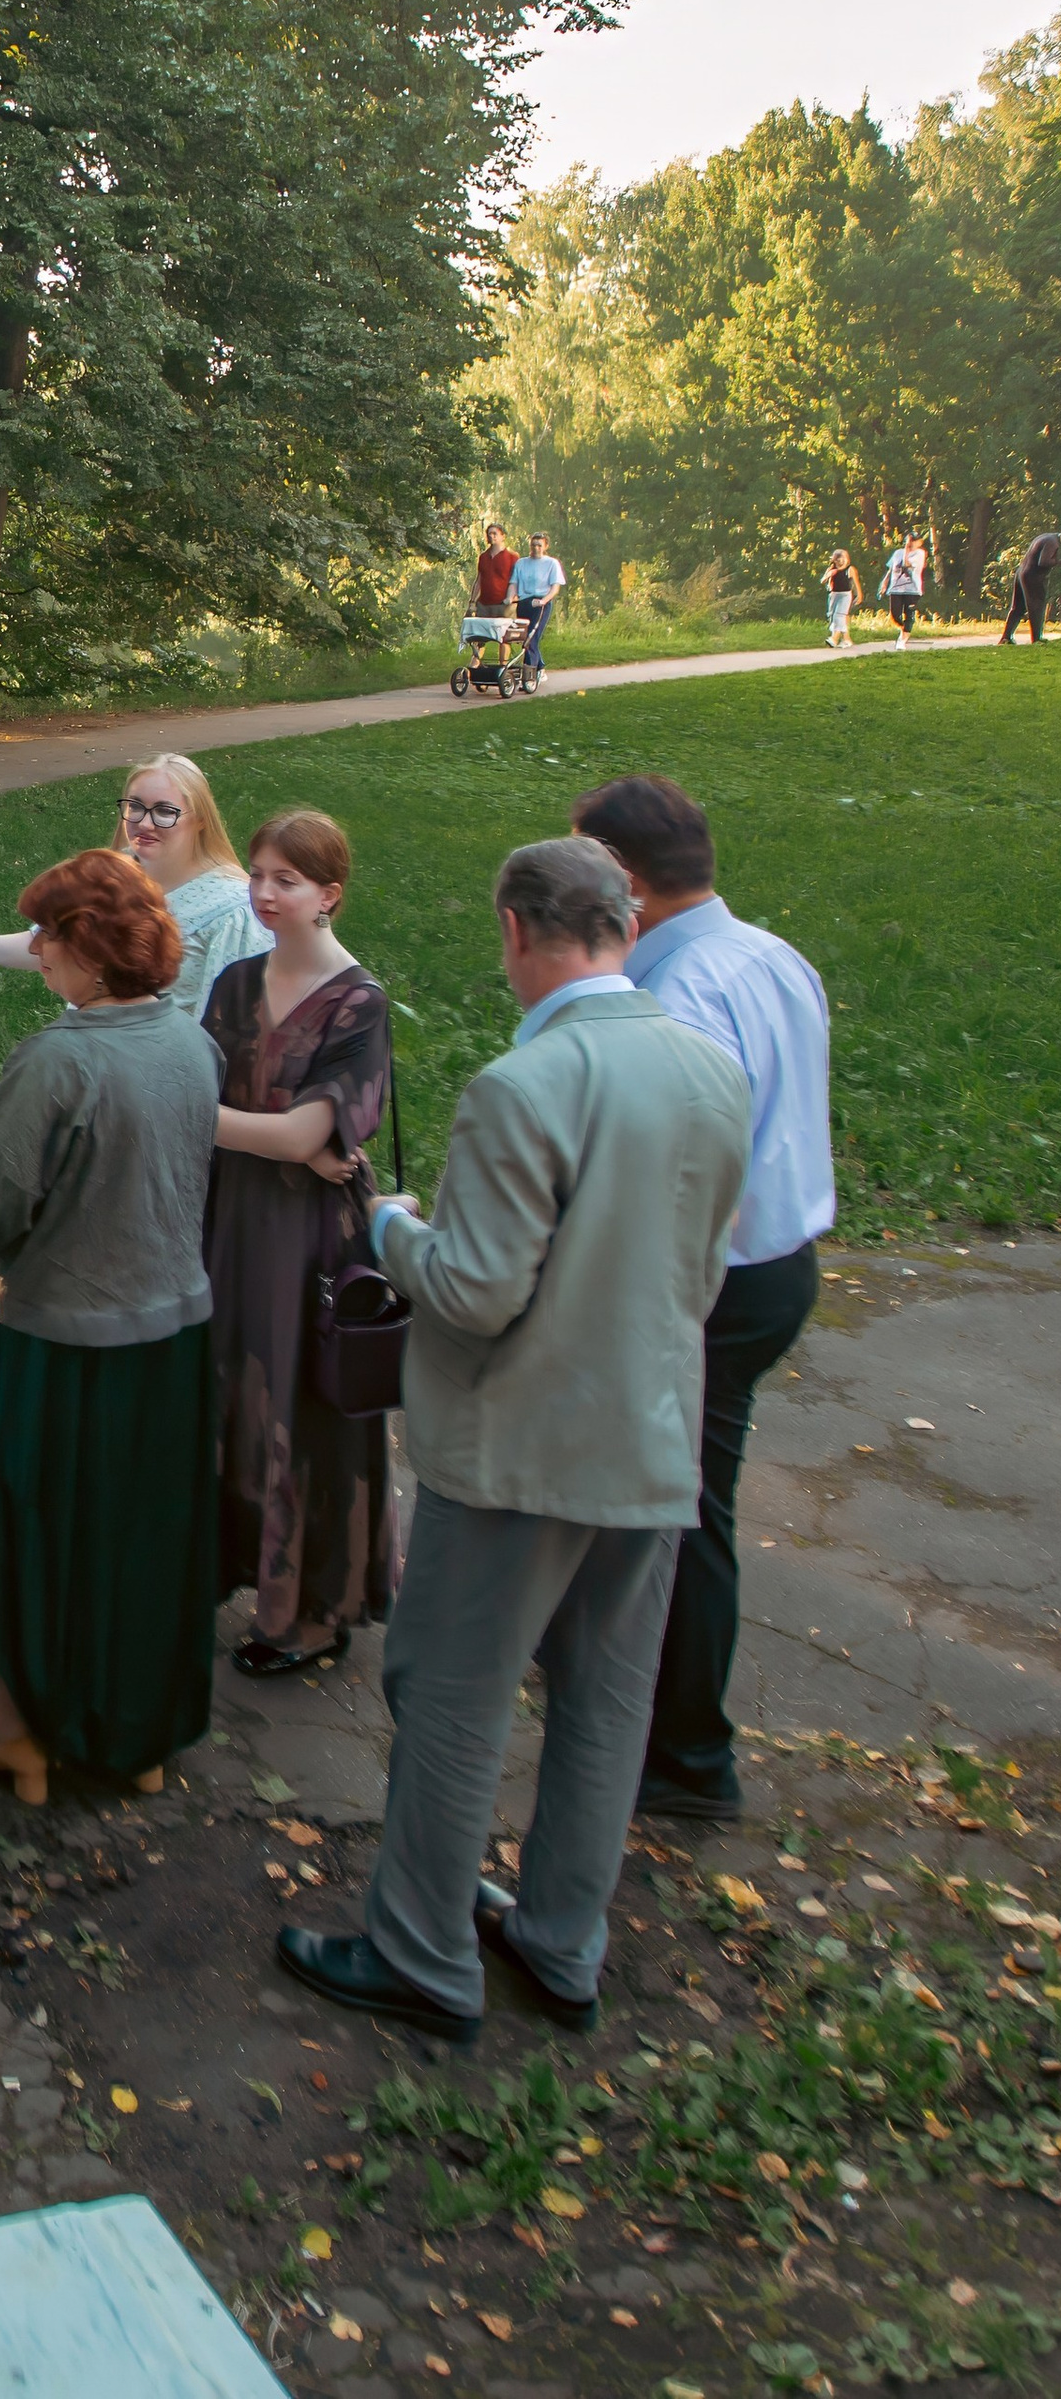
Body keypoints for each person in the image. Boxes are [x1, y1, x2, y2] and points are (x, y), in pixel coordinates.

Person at [276, 839, 747, 2042]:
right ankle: (559, 1939)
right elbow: (701, 1267)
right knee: (602, 1704)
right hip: (648, 1437)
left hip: (517, 1449)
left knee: (449, 1694)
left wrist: (389, 1226)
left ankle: (420, 1951)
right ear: (622, 929)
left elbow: (474, 1291)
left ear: (514, 931)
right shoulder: (709, 1069)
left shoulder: (522, 1086)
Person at [571, 777, 833, 1824]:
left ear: (625, 887)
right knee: (689, 1502)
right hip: (780, 1260)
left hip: (715, 1279)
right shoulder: (768, 953)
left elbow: (685, 1175)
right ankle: (667, 1728)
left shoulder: (673, 1002)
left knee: (672, 1516)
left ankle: (683, 1751)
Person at [0, 850, 225, 1808]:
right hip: (175, 1338)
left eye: (48, 934)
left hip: (64, 1345)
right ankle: (138, 1738)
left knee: (37, 1530)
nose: (35, 950)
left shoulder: (58, 1061)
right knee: (146, 1539)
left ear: (88, 947)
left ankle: (20, 1731)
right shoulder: (192, 1045)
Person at [205, 811, 399, 1677]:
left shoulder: (360, 1004)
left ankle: (314, 1613)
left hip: (315, 1243)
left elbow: (307, 1138)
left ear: (330, 894)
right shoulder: (235, 985)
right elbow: (288, 1137)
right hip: (226, 1222)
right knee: (226, 1400)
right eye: (257, 874)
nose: (264, 892)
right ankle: (226, 1570)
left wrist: (215, 1122)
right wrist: (283, 1134)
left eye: (286, 878)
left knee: (302, 1411)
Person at [0, 753, 263, 1020]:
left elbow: (236, 1028)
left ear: (201, 820)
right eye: (135, 806)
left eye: (165, 811)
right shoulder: (117, 872)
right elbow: (52, 946)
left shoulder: (232, 910)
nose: (144, 823)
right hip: (89, 1052)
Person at [510, 534, 565, 683]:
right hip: (524, 603)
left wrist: (543, 601)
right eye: (533, 545)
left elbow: (555, 587)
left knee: (531, 638)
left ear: (545, 546)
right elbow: (514, 583)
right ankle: (540, 668)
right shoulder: (521, 563)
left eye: (539, 545)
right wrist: (509, 598)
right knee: (525, 637)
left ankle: (529, 674)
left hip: (541, 603)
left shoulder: (551, 564)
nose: (536, 548)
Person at [1000, 531, 1057, 646]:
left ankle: (1006, 638)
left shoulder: (1047, 537)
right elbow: (1044, 562)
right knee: (1037, 606)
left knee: (1018, 607)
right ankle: (1037, 639)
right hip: (1033, 576)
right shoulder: (1053, 543)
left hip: (1021, 572)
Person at [879, 531, 926, 647]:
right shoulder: (897, 553)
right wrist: (884, 584)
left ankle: (902, 640)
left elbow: (906, 564)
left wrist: (907, 549)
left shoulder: (920, 554)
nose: (911, 543)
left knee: (909, 615)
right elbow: (890, 570)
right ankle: (903, 630)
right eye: (909, 541)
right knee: (894, 615)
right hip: (895, 589)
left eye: (913, 541)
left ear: (919, 542)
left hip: (912, 589)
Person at [474, 522, 517, 614]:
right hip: (483, 605)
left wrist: (510, 598)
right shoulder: (483, 557)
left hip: (503, 604)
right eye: (489, 534)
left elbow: (515, 581)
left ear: (503, 536)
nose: (491, 536)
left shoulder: (512, 557)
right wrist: (472, 601)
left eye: (494, 533)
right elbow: (479, 580)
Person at [821, 550, 861, 649]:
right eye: (838, 559)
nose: (841, 561)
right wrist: (829, 575)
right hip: (833, 595)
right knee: (832, 615)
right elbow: (822, 580)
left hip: (845, 595)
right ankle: (846, 640)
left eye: (843, 558)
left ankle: (834, 638)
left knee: (839, 615)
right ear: (834, 560)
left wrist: (859, 595)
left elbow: (856, 583)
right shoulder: (831, 569)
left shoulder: (850, 569)